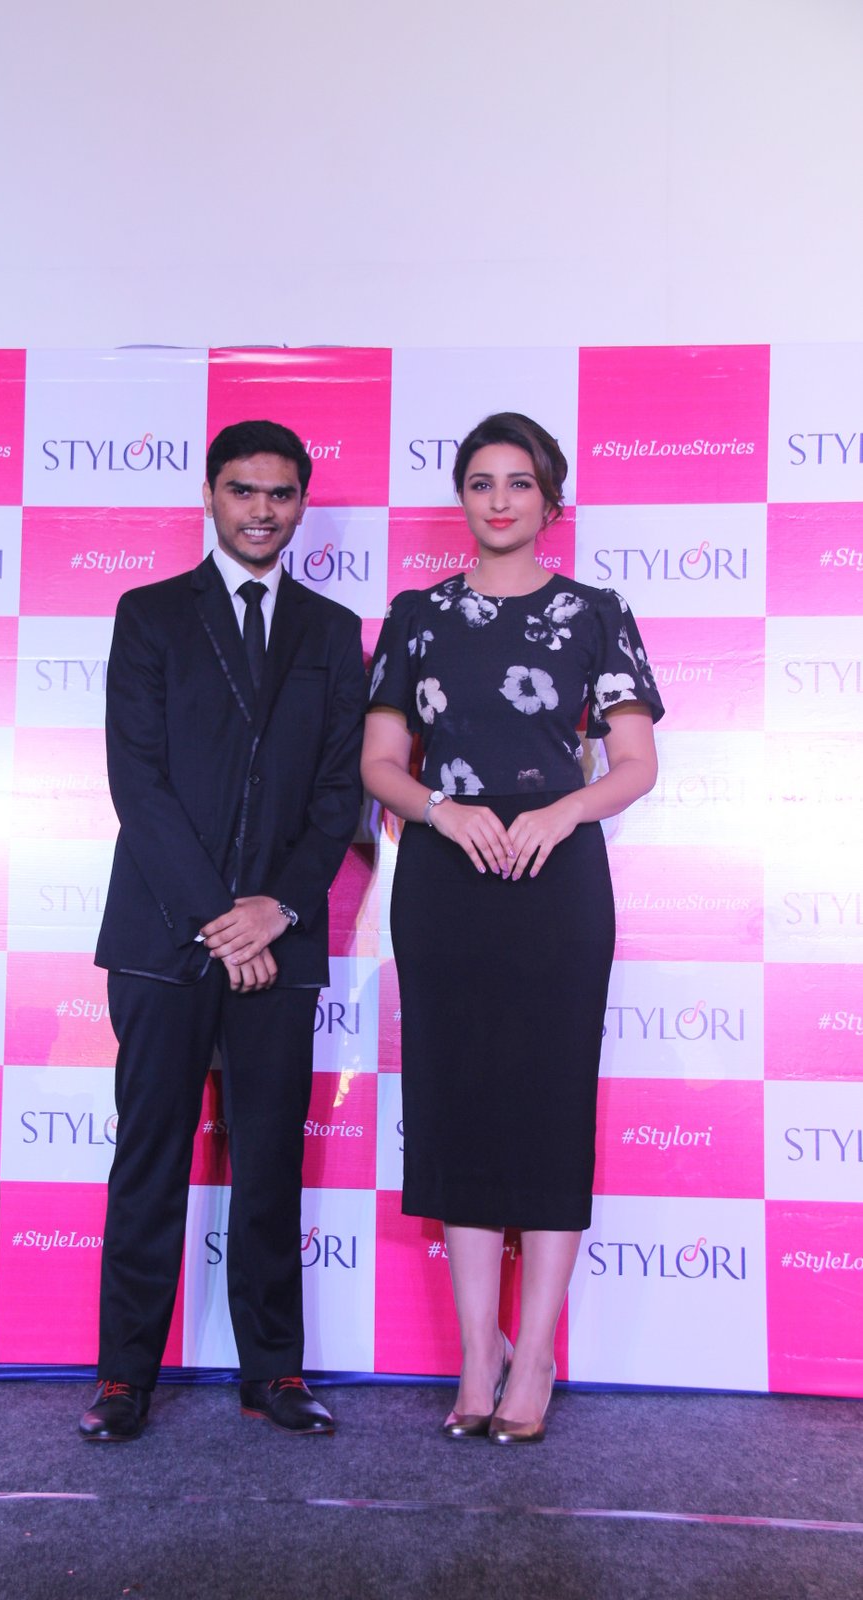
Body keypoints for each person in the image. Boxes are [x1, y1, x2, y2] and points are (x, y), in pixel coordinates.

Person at [361, 412, 663, 1443]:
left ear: (550, 501)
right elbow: (378, 762)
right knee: (456, 1101)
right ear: (461, 498)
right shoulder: (417, 616)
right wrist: (438, 811)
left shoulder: (594, 614)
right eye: (480, 482)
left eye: (518, 482)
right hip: (443, 880)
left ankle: (533, 1352)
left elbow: (634, 763)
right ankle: (474, 1352)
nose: (498, 500)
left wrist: (560, 811)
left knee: (546, 1104)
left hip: (554, 878)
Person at [80, 419, 366, 1442]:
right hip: (163, 932)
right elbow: (137, 782)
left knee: (271, 1162)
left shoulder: (332, 631)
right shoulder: (150, 613)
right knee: (149, 1157)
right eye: (242, 490)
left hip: (279, 936)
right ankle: (123, 1378)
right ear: (209, 495)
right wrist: (219, 918)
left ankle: (273, 1372)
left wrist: (274, 910)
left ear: (302, 504)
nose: (260, 511)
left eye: (280, 494)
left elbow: (337, 795)